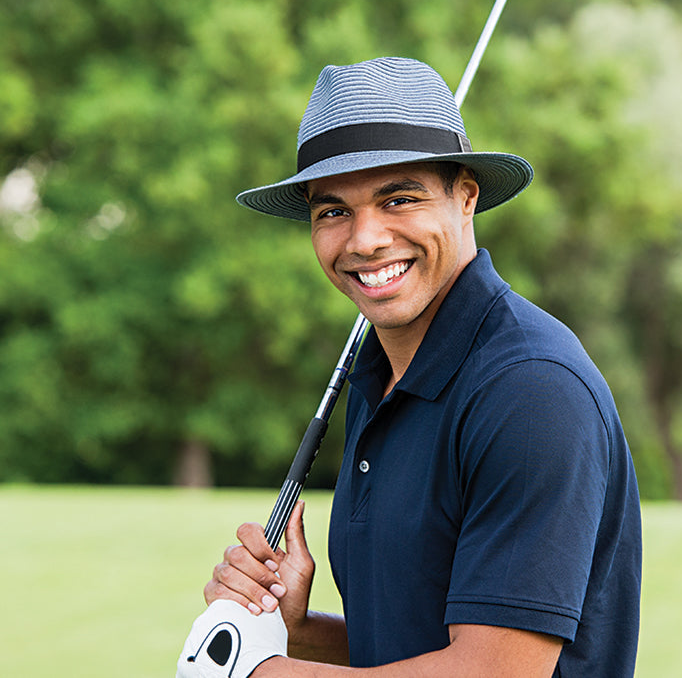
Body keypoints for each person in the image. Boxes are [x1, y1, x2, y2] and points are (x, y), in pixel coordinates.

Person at [177, 56, 642, 677]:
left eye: (399, 198)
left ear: (466, 198)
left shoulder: (530, 391)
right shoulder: (379, 375)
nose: (364, 240)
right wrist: (295, 630)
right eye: (333, 211)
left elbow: (491, 672)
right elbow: (419, 641)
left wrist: (257, 675)